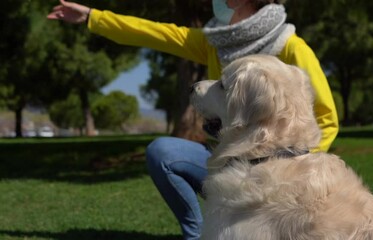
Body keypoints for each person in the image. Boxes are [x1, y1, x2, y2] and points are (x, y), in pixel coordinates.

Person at [48, 0, 339, 239]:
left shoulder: (291, 47)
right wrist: (91, 17)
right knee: (162, 152)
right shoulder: (215, 43)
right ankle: (196, 235)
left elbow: (326, 118)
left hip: (278, 177)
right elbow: (156, 33)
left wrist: (291, 170)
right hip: (227, 162)